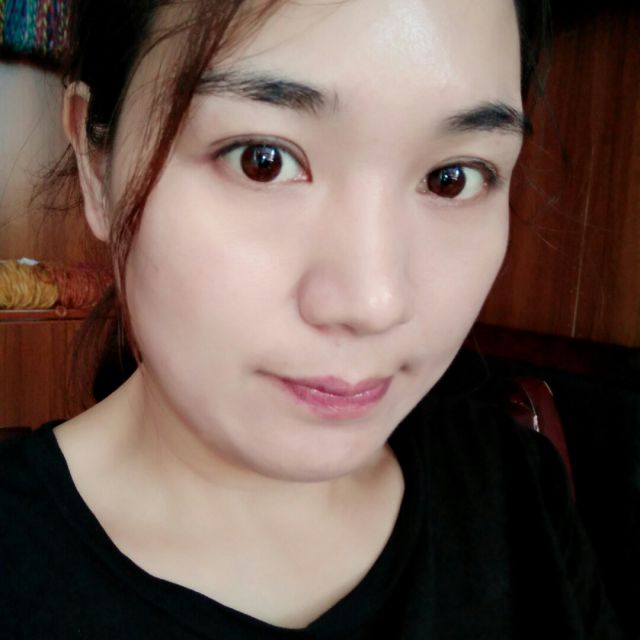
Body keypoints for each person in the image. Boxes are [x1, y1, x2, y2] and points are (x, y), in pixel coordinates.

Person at [0, 0, 628, 637]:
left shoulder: (518, 490)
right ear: (97, 167)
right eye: (261, 160)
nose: (373, 303)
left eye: (452, 178)